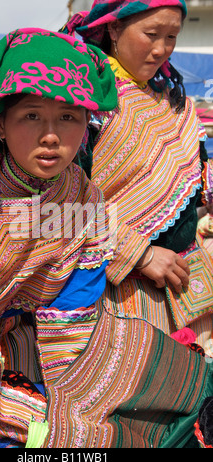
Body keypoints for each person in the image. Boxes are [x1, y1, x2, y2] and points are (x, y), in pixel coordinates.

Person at [0, 26, 211, 450]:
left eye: (68, 117)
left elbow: (73, 315)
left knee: (174, 385)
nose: (51, 135)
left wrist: (73, 403)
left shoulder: (79, 195)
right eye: (31, 115)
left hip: (28, 338)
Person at [61, 0, 213, 357]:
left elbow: (194, 184)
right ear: (113, 28)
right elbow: (54, 204)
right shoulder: (84, 103)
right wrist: (139, 254)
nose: (161, 49)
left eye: (172, 36)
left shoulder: (172, 99)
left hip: (190, 292)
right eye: (151, 34)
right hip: (117, 297)